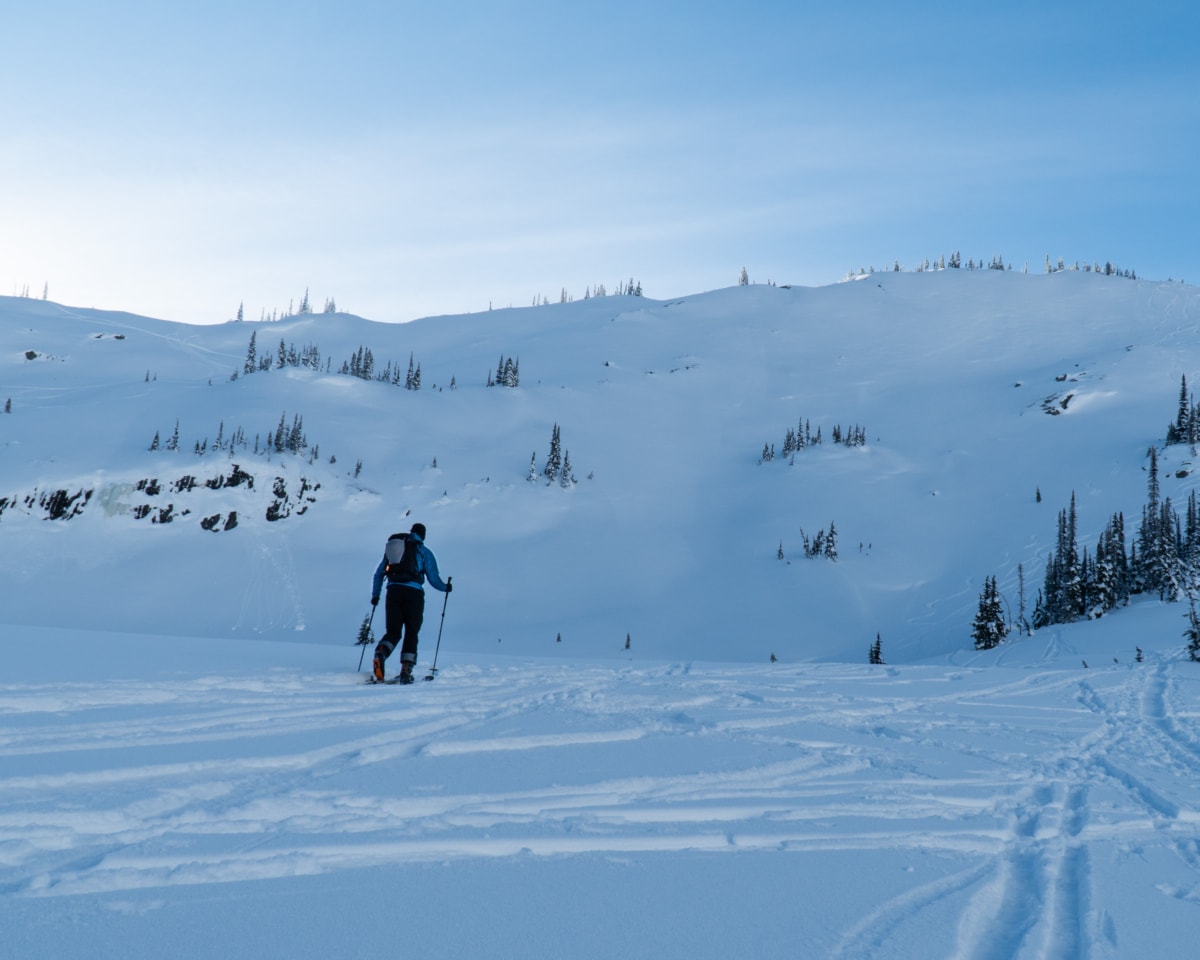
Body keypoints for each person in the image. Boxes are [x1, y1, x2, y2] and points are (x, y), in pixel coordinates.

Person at [370, 522, 451, 683]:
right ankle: (406, 669)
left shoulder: (394, 550)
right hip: (414, 594)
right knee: (411, 631)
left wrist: (375, 596)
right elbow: (433, 578)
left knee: (393, 631)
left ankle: (382, 651)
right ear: (423, 535)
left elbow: (379, 574)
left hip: (393, 592)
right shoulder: (424, 551)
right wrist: (445, 588)